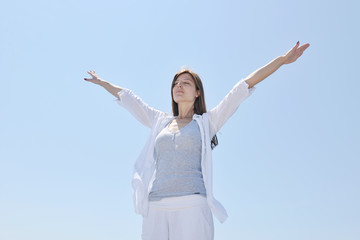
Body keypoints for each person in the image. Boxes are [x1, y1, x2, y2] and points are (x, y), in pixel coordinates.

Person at [84, 41, 310, 240]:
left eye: (186, 83)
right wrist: (103, 83)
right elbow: (128, 97)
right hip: (155, 207)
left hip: (192, 205)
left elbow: (243, 86)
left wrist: (281, 60)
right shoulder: (159, 121)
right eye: (176, 83)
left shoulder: (207, 123)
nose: (179, 86)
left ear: (198, 93)